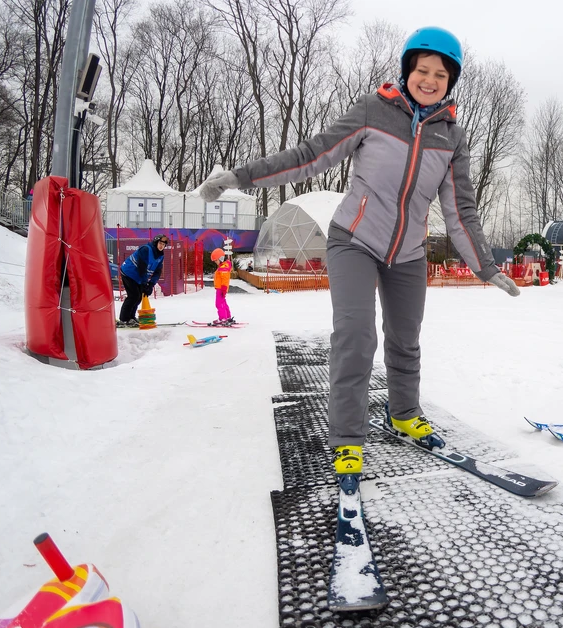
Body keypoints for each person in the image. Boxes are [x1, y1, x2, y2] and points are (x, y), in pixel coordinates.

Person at [198, 26, 520, 475]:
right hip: (353, 239)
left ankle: (405, 414)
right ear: (408, 71)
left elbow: (459, 210)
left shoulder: (451, 137)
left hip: (408, 251)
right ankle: (348, 437)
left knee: (405, 341)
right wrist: (240, 176)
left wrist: (484, 267)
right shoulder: (373, 111)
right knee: (355, 336)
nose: (429, 80)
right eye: (422, 70)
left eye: (440, 75)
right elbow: (309, 156)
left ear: (451, 82)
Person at [118, 234, 167, 327]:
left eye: (164, 245)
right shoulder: (146, 249)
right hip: (129, 273)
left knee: (139, 296)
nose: (161, 246)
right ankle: (124, 319)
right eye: (160, 243)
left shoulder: (160, 256)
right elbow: (142, 267)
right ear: (156, 243)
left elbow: (157, 271)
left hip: (139, 276)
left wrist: (151, 284)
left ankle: (131, 317)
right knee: (133, 295)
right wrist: (145, 283)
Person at [211, 248, 234, 326]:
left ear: (220, 258)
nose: (215, 262)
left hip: (221, 288)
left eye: (216, 260)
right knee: (223, 302)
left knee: (218, 303)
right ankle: (227, 317)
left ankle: (222, 318)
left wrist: (223, 289)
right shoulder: (223, 266)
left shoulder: (223, 267)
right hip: (221, 288)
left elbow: (224, 279)